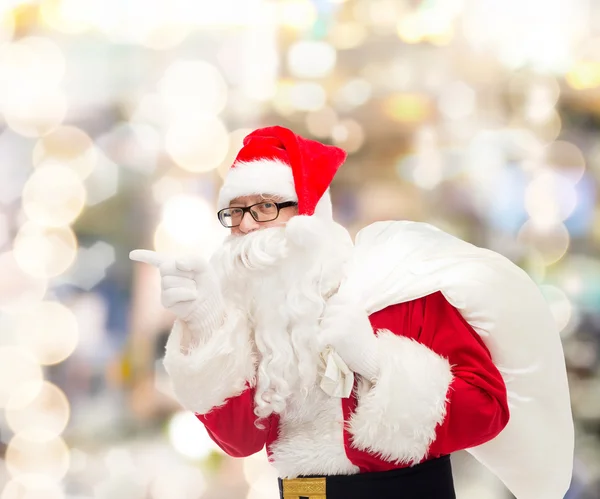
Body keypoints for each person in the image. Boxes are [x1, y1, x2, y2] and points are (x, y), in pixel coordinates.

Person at [130, 126, 573, 499]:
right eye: (236, 211)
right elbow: (240, 439)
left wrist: (378, 363)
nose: (246, 226)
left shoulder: (395, 289)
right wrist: (206, 324)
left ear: (309, 216)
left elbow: (486, 411)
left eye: (265, 207)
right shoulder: (251, 317)